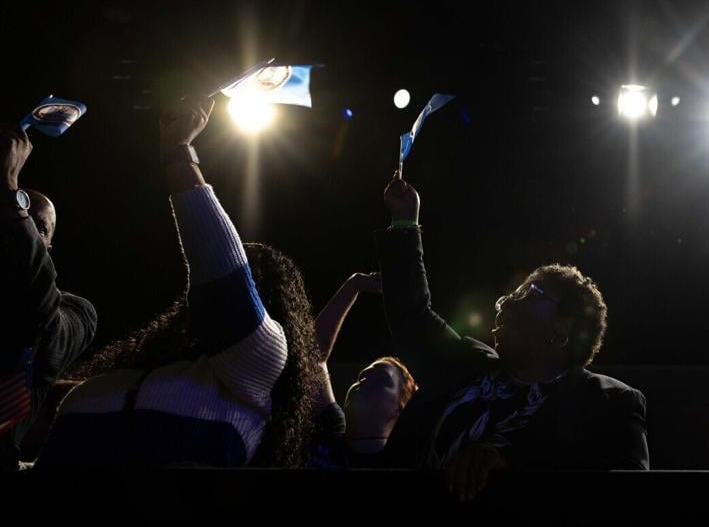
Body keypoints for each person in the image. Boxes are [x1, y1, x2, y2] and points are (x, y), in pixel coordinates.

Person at [37, 97, 320, 467]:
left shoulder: (261, 365)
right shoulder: (141, 371)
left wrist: (179, 153)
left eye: (251, 277)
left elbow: (220, 269)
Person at [377, 170, 648, 500]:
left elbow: (630, 497)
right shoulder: (465, 365)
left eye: (527, 295)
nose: (503, 302)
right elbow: (413, 317)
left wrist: (511, 464)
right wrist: (405, 223)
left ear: (561, 333)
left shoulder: (608, 403)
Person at [0, 125, 97, 470]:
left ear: (50, 245)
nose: (21, 224)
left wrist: (11, 188)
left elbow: (39, 308)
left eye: (36, 226)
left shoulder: (76, 312)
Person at [309, 271, 418, 467]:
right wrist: (354, 284)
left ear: (401, 408)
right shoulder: (332, 430)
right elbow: (311, 357)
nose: (365, 380)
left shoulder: (407, 464)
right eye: (361, 377)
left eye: (383, 379)